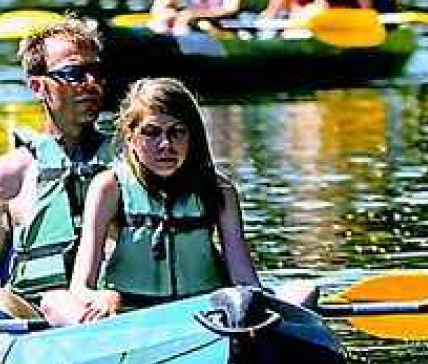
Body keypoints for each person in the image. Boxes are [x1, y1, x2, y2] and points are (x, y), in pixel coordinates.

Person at [41, 78, 270, 325]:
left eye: (177, 132)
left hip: (206, 316)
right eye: (151, 133)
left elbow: (245, 281)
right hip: (127, 317)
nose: (166, 145)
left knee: (302, 293)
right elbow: (80, 287)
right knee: (53, 302)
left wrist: (255, 308)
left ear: (192, 137)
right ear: (130, 136)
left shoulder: (219, 190)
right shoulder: (108, 188)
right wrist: (104, 297)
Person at [0, 17, 116, 321]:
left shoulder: (131, 158)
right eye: (74, 74)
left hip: (110, 309)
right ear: (37, 86)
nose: (90, 83)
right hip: (35, 317)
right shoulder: (8, 175)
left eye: (95, 72)